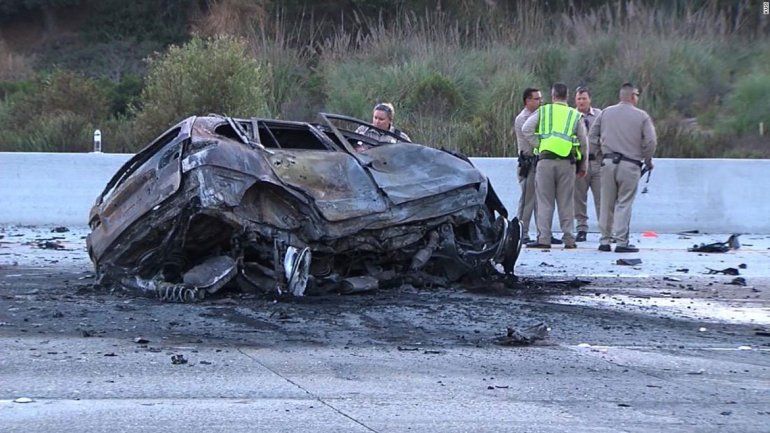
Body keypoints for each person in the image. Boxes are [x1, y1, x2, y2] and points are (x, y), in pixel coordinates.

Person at [589, 82, 657, 253]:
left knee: (606, 203)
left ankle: (604, 241)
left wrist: (600, 154)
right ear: (633, 96)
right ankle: (621, 242)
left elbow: (591, 136)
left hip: (608, 163)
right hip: (630, 165)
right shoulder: (642, 116)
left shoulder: (605, 113)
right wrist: (647, 160)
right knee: (624, 203)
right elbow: (650, 141)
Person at [522, 82, 588, 249]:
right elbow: (584, 142)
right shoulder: (574, 115)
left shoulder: (544, 111)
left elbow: (526, 128)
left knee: (545, 202)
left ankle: (544, 238)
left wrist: (540, 144)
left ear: (553, 96)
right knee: (566, 202)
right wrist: (583, 165)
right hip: (567, 163)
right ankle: (569, 239)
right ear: (567, 96)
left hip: (545, 162)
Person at [572, 87, 603, 242]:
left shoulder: (599, 115)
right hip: (579, 163)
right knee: (578, 198)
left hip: (596, 162)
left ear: (589, 99)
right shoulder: (571, 116)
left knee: (601, 198)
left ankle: (605, 229)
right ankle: (581, 228)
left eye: (584, 98)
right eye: (579, 99)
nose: (581, 101)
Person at [512, 87, 542, 243]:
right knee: (526, 200)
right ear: (527, 101)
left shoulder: (538, 115)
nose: (540, 101)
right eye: (536, 99)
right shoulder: (523, 118)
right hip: (527, 163)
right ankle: (521, 232)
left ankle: (541, 233)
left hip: (536, 163)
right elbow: (530, 137)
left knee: (538, 201)